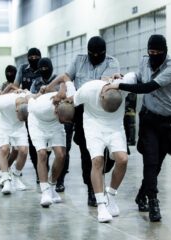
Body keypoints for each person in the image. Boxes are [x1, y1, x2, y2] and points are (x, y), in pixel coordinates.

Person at [106, 34, 171, 222]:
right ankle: (153, 202)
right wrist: (122, 78)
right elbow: (139, 78)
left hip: (168, 121)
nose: (153, 55)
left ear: (164, 51)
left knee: (156, 166)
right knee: (151, 161)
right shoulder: (145, 61)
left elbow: (148, 87)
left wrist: (120, 85)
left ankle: (141, 195)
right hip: (148, 120)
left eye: (157, 52)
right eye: (151, 51)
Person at [45, 36, 120, 206]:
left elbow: (105, 84)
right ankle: (92, 190)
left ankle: (101, 178)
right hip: (83, 113)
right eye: (91, 54)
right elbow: (66, 76)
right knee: (89, 154)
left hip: (104, 112)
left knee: (110, 154)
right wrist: (51, 86)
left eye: (98, 54)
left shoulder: (112, 62)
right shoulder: (79, 60)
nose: (94, 56)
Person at [72, 78, 131, 222]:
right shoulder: (88, 89)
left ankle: (110, 196)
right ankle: (101, 205)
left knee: (123, 159)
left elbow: (138, 79)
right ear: (101, 96)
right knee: (97, 161)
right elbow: (72, 100)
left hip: (115, 127)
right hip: (94, 126)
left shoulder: (124, 87)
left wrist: (120, 76)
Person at [28, 81, 75, 207]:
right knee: (42, 154)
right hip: (37, 122)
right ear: (56, 112)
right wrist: (37, 95)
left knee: (61, 155)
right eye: (63, 120)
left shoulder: (69, 101)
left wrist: (62, 90)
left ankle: (52, 186)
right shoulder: (39, 107)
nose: (64, 122)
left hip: (54, 124)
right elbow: (29, 102)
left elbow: (66, 80)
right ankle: (45, 192)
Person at [14, 47, 42, 183]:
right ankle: (39, 172)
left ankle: (43, 167)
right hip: (27, 108)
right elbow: (15, 85)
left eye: (37, 57)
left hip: (41, 107)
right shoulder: (23, 69)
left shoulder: (44, 67)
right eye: (31, 57)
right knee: (32, 142)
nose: (34, 59)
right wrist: (22, 91)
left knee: (43, 144)